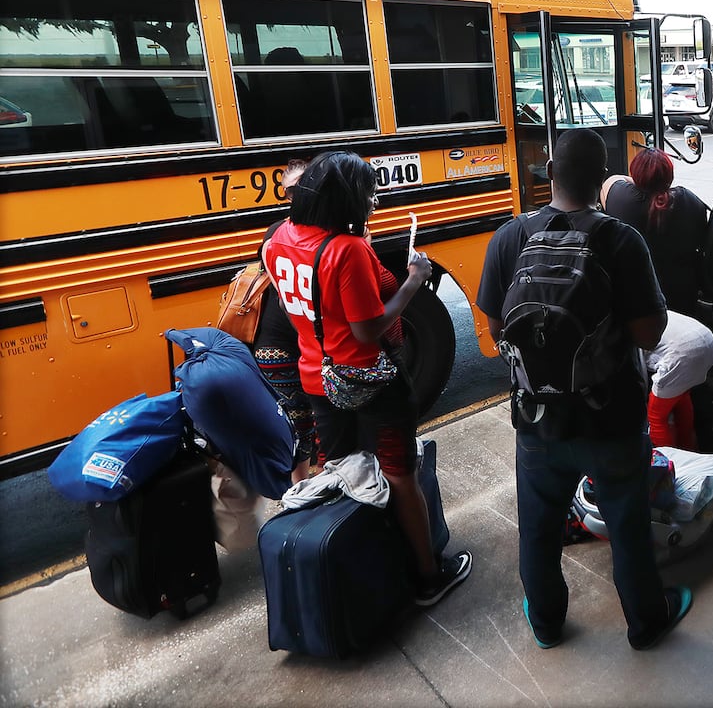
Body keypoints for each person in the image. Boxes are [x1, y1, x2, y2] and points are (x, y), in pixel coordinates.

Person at [476, 129, 690, 651]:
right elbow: (649, 333)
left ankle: (547, 623)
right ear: (602, 180)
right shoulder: (620, 240)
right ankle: (645, 621)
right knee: (627, 523)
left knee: (540, 527)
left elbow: (494, 323)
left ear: (549, 173)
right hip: (611, 415)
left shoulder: (509, 237)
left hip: (536, 419)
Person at [263, 151, 471, 607]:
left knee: (342, 471)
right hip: (372, 381)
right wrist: (414, 279)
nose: (372, 203)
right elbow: (369, 328)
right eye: (367, 196)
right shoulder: (348, 250)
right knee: (399, 474)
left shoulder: (277, 240)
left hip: (318, 379)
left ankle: (359, 569)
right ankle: (427, 577)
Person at [252, 158, 317, 483]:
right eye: (290, 191)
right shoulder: (280, 234)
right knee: (300, 426)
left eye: (302, 186)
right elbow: (290, 300)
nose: (297, 195)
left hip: (298, 346)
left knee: (313, 424)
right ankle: (302, 496)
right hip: (281, 348)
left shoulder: (310, 231)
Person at [602, 147, 708, 315]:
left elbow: (613, 180)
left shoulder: (620, 199)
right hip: (682, 299)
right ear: (669, 176)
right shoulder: (690, 201)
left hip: (635, 300)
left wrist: (642, 181)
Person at [645, 311, 713, 449]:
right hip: (708, 341)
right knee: (681, 394)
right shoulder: (651, 308)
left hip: (684, 352)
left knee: (655, 416)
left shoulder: (623, 324)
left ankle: (672, 463)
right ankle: (686, 447)